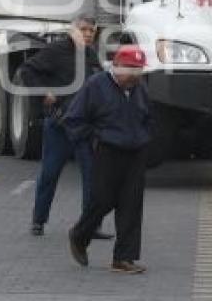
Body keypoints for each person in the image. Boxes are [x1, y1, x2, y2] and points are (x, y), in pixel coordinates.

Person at [22, 14, 111, 239]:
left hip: (85, 129)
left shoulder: (91, 56)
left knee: (92, 177)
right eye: (84, 29)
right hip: (59, 125)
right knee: (50, 174)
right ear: (72, 30)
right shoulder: (56, 51)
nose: (88, 34)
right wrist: (44, 93)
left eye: (92, 30)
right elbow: (27, 70)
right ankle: (38, 221)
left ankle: (90, 226)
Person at [66, 45, 153, 274]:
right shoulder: (96, 85)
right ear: (116, 66)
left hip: (136, 152)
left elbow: (147, 117)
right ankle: (79, 235)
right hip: (106, 151)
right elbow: (74, 119)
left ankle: (123, 258)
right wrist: (93, 143)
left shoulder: (139, 88)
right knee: (102, 201)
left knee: (131, 204)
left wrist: (146, 140)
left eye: (139, 71)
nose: (135, 76)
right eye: (131, 70)